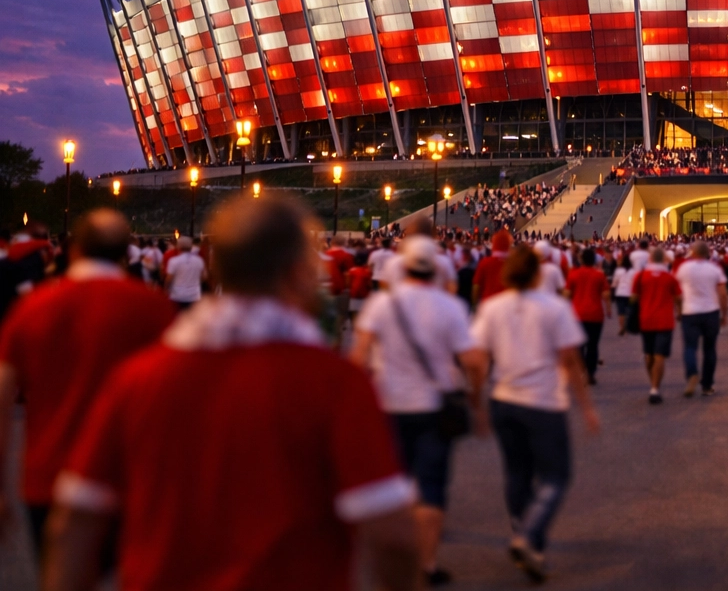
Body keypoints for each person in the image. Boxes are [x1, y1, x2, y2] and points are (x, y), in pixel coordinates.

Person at [45, 192, 419, 591]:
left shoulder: (137, 378)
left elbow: (75, 519)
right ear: (297, 271)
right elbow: (391, 535)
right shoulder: (333, 384)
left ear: (215, 266)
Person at [0, 211, 176, 566]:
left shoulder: (33, 308)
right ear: (126, 253)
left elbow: (3, 398)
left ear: (74, 250)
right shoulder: (153, 309)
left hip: (50, 473)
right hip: (128, 477)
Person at [352, 235, 481, 587]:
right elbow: (472, 360)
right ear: (436, 269)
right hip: (434, 406)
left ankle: (395, 561)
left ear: (404, 266)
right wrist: (476, 399)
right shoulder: (449, 307)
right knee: (433, 486)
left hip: (388, 403)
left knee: (394, 484)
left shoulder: (382, 305)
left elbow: (359, 355)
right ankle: (427, 563)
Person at [466, 243, 598, 583]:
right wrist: (585, 407)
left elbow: (479, 362)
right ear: (539, 272)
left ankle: (528, 541)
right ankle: (528, 535)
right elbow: (570, 360)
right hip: (543, 402)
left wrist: (476, 401)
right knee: (556, 476)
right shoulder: (553, 307)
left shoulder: (492, 308)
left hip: (504, 398)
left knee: (517, 472)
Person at [676, 242, 728, 398]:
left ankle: (692, 373)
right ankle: (707, 385)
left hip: (690, 311)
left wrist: (678, 310)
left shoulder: (684, 268)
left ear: (692, 252)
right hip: (710, 312)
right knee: (709, 349)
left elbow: (677, 292)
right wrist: (724, 314)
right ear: (708, 254)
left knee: (690, 347)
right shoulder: (714, 269)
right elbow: (723, 294)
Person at [633, 246, 682, 403]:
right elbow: (679, 298)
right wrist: (679, 310)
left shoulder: (640, 276)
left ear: (650, 259)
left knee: (649, 355)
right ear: (665, 260)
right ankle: (655, 388)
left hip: (646, 319)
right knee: (660, 355)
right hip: (665, 320)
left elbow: (633, 297)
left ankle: (653, 384)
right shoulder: (670, 278)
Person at [566, 248, 610, 385]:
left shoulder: (573, 274)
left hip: (577, 314)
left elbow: (567, 294)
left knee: (579, 345)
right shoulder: (599, 275)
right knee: (593, 345)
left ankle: (581, 371)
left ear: (581, 260)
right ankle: (590, 373)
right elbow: (606, 295)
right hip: (596, 314)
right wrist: (608, 308)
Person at [163, 236, 205, 310]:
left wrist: (166, 289)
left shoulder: (174, 261)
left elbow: (169, 278)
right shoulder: (199, 260)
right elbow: (204, 276)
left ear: (178, 247)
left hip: (177, 295)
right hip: (194, 295)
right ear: (191, 246)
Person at [473, 230, 513, 306]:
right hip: (508, 305)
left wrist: (475, 304)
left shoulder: (485, 262)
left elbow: (476, 286)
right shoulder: (513, 264)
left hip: (487, 303)